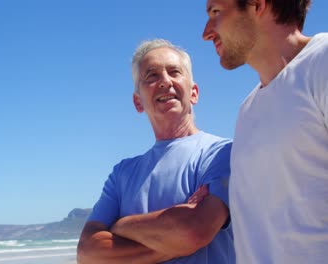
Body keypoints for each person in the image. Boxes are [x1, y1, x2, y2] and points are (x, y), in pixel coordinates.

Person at [77, 39, 235, 264]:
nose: (165, 82)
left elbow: (195, 231)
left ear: (194, 93)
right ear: (137, 102)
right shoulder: (122, 173)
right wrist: (176, 239)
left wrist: (120, 225)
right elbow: (88, 253)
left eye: (174, 72)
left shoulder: (222, 154)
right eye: (151, 76)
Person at [202, 0, 328, 263]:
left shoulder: (323, 62)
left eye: (216, 12)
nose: (206, 32)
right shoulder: (247, 111)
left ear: (258, 5)